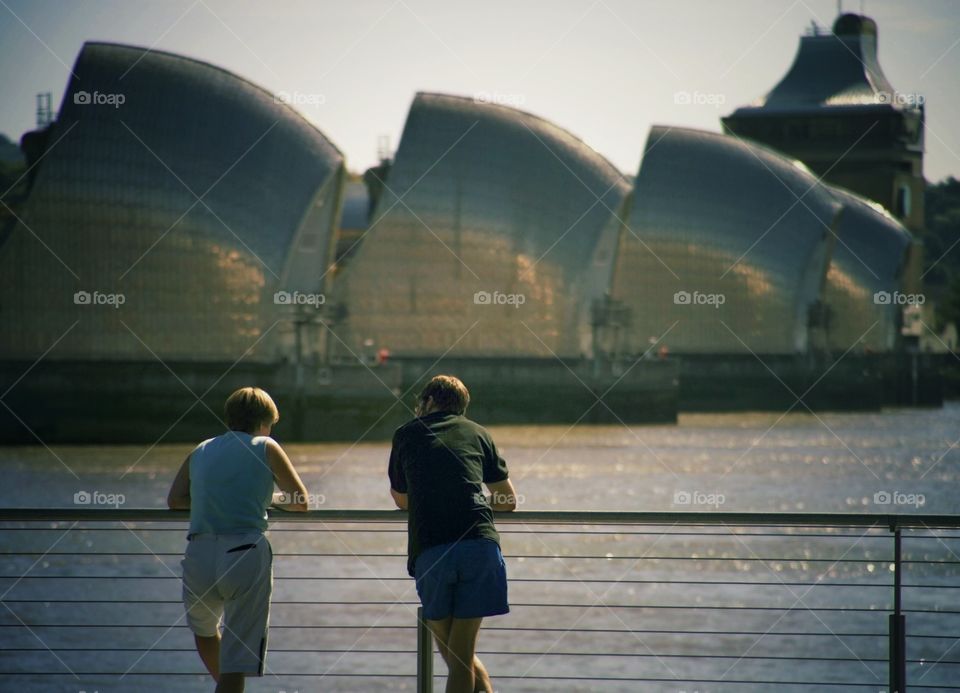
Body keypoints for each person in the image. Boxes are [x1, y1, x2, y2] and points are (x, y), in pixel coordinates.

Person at [167, 386, 309, 693]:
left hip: (199, 553)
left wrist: (213, 499)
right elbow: (300, 501)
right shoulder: (265, 445)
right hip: (244, 551)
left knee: (205, 633)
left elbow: (176, 500)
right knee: (237, 657)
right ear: (264, 422)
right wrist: (267, 500)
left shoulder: (202, 448)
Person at [388, 375, 519, 693]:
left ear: (429, 402)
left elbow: (402, 499)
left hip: (433, 550)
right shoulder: (479, 433)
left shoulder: (406, 434)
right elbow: (507, 500)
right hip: (480, 546)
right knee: (461, 655)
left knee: (457, 657)